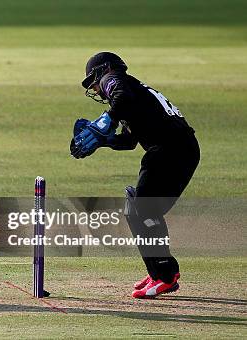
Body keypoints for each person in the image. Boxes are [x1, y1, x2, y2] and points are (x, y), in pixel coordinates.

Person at [70, 52, 199, 299]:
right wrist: (104, 141)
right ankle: (156, 271)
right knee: (136, 208)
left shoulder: (114, 79)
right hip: (171, 150)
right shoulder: (132, 93)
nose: (96, 90)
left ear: (103, 71)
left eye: (92, 82)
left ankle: (166, 276)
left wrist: (107, 119)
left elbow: (119, 96)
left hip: (172, 150)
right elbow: (129, 141)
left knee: (145, 209)